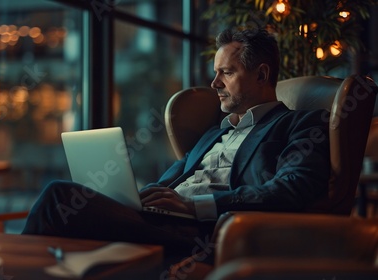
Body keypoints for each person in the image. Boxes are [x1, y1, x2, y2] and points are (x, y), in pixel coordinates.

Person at [22, 28, 330, 257]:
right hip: (159, 222)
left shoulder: (300, 125)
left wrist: (195, 207)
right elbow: (166, 186)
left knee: (58, 197)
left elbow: (292, 187)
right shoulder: (213, 133)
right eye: (215, 73)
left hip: (206, 235)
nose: (215, 84)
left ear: (261, 75)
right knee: (68, 215)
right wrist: (132, 199)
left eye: (226, 72)